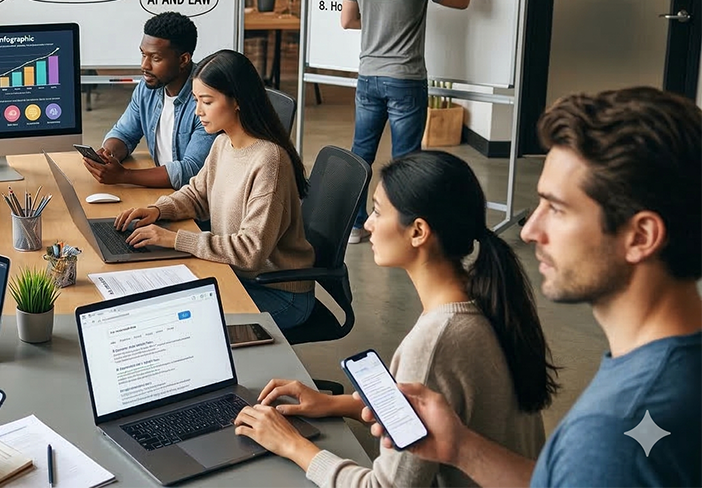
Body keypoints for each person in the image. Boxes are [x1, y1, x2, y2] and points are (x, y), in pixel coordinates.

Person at [362, 87, 702, 488]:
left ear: (640, 236)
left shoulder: (612, 432)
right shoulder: (666, 375)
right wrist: (461, 448)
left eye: (556, 208)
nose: (530, 231)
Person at [233, 150, 557, 488]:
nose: (369, 224)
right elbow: (428, 413)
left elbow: (385, 487)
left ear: (418, 232)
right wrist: (334, 403)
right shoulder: (489, 300)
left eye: (377, 211)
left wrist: (293, 445)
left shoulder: (436, 340)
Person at [113, 49, 316, 328]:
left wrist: (174, 239)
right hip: (236, 274)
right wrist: (157, 210)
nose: (198, 111)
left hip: (277, 293)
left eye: (207, 101)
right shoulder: (223, 143)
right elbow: (198, 194)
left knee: (178, 321)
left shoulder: (269, 161)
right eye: (196, 100)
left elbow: (250, 250)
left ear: (237, 101)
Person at [341, 0, 477, 244]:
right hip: (405, 80)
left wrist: (379, 24)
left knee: (362, 153)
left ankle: (356, 226)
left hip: (368, 77)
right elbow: (461, 0)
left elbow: (347, 20)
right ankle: (398, 229)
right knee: (405, 160)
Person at [87, 11, 216, 189]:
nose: (144, 66)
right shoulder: (148, 88)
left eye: (155, 58)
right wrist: (108, 154)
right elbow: (124, 134)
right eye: (143, 54)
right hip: (163, 194)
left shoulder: (207, 100)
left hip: (196, 205)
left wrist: (124, 175)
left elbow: (191, 170)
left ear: (183, 60)